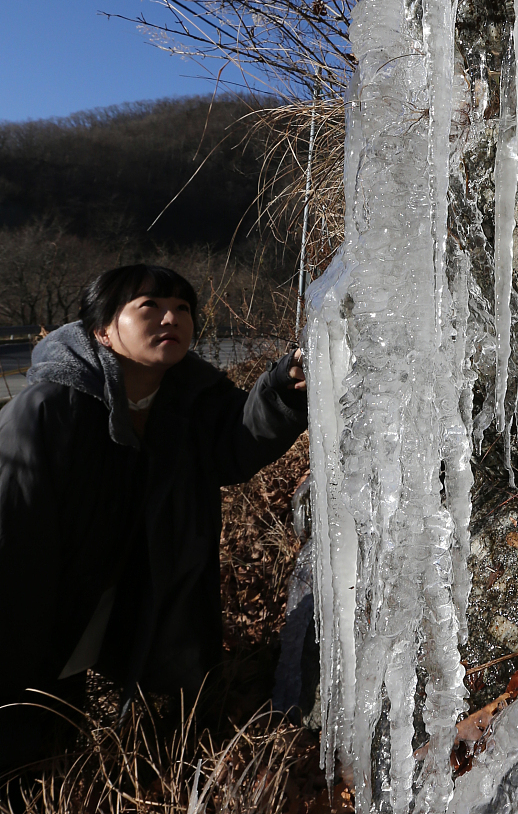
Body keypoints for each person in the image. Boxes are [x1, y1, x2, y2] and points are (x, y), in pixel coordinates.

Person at [0, 264, 308, 776]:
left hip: (132, 614)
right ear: (102, 328)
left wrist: (283, 386)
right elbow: (10, 535)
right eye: (150, 306)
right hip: (41, 620)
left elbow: (234, 446)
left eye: (183, 308)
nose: (172, 317)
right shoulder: (49, 408)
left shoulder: (188, 399)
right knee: (25, 752)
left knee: (93, 753)